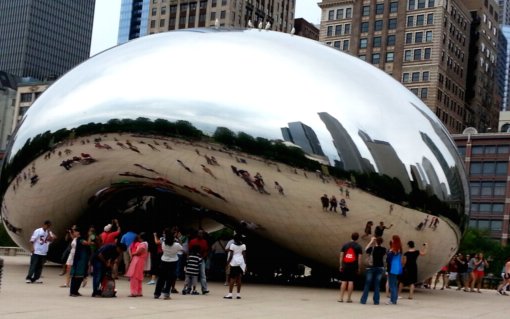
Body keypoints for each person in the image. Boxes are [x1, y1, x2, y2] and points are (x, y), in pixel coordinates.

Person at [154, 229, 183, 300]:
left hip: (164, 260)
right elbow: (181, 248)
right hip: (173, 261)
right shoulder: (176, 245)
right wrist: (178, 238)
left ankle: (157, 294)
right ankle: (166, 294)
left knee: (161, 278)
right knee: (170, 278)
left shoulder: (163, 243)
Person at [360, 237, 386, 305]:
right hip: (380, 268)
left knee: (367, 284)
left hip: (371, 268)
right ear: (382, 242)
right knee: (377, 285)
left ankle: (363, 300)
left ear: (375, 242)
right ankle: (376, 301)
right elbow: (383, 251)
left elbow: (365, 250)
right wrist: (379, 242)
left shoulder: (372, 248)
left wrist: (371, 241)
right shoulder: (384, 249)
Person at [338, 232, 363, 303]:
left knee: (343, 281)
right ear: (357, 238)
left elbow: (341, 256)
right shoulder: (358, 246)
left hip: (345, 265)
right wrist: (359, 267)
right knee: (351, 282)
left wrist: (341, 265)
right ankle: (349, 298)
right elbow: (359, 258)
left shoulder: (345, 245)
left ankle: (340, 298)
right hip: (353, 266)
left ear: (351, 237)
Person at [69, 227, 91, 297]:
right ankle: (72, 292)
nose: (74, 233)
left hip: (82, 260)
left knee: (80, 277)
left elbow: (86, 243)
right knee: (75, 276)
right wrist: (90, 239)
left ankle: (76, 291)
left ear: (78, 232)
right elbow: (87, 243)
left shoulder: (80, 239)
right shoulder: (79, 240)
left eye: (75, 231)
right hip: (78, 260)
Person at [125, 233, 149, 297]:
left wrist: (132, 254)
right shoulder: (145, 244)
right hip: (140, 261)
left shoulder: (142, 245)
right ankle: (139, 291)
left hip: (137, 261)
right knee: (139, 276)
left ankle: (134, 292)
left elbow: (138, 253)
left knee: (134, 276)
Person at [224, 233, 247, 299]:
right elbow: (244, 256)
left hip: (234, 263)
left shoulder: (232, 245)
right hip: (241, 263)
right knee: (239, 278)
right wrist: (245, 264)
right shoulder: (243, 246)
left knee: (232, 278)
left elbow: (231, 256)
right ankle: (238, 294)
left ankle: (230, 294)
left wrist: (227, 264)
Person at [188, 230, 210, 294]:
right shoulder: (192, 241)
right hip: (193, 259)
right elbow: (189, 250)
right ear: (197, 234)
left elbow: (206, 250)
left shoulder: (204, 242)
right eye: (199, 233)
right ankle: (189, 288)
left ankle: (204, 289)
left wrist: (203, 257)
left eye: (201, 233)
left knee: (203, 274)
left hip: (201, 259)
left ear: (203, 235)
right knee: (191, 274)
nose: (200, 234)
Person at [386, 235, 403, 305]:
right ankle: (394, 299)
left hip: (392, 268)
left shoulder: (393, 250)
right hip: (396, 268)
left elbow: (389, 259)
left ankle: (392, 300)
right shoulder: (400, 248)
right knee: (395, 284)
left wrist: (388, 252)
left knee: (392, 285)